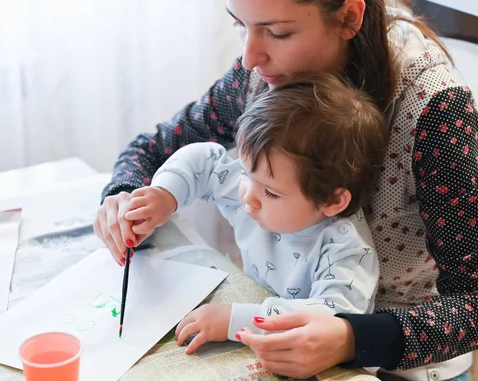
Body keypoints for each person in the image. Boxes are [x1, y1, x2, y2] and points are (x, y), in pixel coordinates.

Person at [94, 0, 478, 381]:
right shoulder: (262, 71)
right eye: (240, 24)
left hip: (407, 371)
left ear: (349, 17)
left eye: (277, 32)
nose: (250, 57)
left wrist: (349, 337)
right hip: (276, 321)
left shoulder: (436, 113)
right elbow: (156, 148)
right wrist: (125, 195)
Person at [126, 74, 386, 354]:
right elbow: (204, 162)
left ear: (332, 201)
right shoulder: (259, 183)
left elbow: (330, 320)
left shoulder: (346, 250)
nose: (247, 195)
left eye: (271, 193)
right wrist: (165, 193)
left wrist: (234, 321)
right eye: (246, 173)